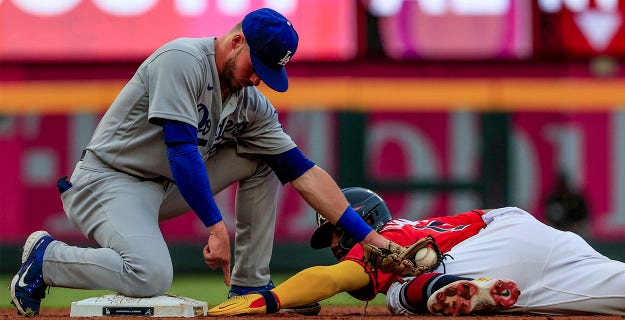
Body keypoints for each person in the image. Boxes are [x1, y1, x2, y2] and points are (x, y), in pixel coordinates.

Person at [9, 8, 393, 317]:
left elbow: (303, 172)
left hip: (161, 188)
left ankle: (251, 285)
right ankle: (48, 260)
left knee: (268, 159)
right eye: (256, 65)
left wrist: (371, 238)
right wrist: (216, 228)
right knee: (151, 275)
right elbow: (181, 150)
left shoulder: (251, 103)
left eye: (269, 71)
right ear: (236, 41)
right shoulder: (182, 60)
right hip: (108, 182)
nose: (259, 79)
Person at [208, 187, 625, 316]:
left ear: (362, 220)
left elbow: (335, 279)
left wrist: (272, 298)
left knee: (399, 294)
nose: (336, 246)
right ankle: (470, 287)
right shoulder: (409, 227)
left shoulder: (379, 238)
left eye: (337, 234)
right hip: (525, 231)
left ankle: (453, 289)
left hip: (472, 256)